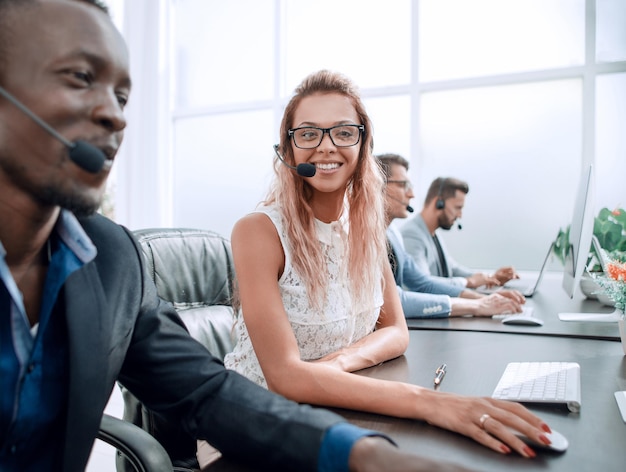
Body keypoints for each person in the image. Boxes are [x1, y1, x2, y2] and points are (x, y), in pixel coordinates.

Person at [0, 1, 474, 471]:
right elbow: (273, 379)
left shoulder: (111, 260)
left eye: (123, 97)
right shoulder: (260, 231)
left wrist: (362, 453)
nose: (116, 117)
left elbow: (205, 392)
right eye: (81, 78)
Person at [219, 69, 554, 467]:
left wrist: (339, 364)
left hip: (330, 408)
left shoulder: (366, 230)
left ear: (363, 144)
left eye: (343, 132)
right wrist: (429, 403)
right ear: (288, 150)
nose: (326, 147)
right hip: (253, 424)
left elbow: (396, 331)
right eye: (308, 134)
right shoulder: (258, 231)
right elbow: (286, 379)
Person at [376, 153, 525, 318]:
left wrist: (484, 299)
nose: (411, 194)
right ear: (377, 185)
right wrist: (475, 304)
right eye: (404, 185)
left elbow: (422, 282)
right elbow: (397, 299)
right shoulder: (374, 236)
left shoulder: (393, 233)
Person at [400, 176, 520, 289]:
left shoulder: (433, 234)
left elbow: (452, 269)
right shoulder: (412, 235)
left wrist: (490, 277)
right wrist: (469, 282)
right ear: (439, 203)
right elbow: (423, 284)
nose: (460, 215)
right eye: (458, 207)